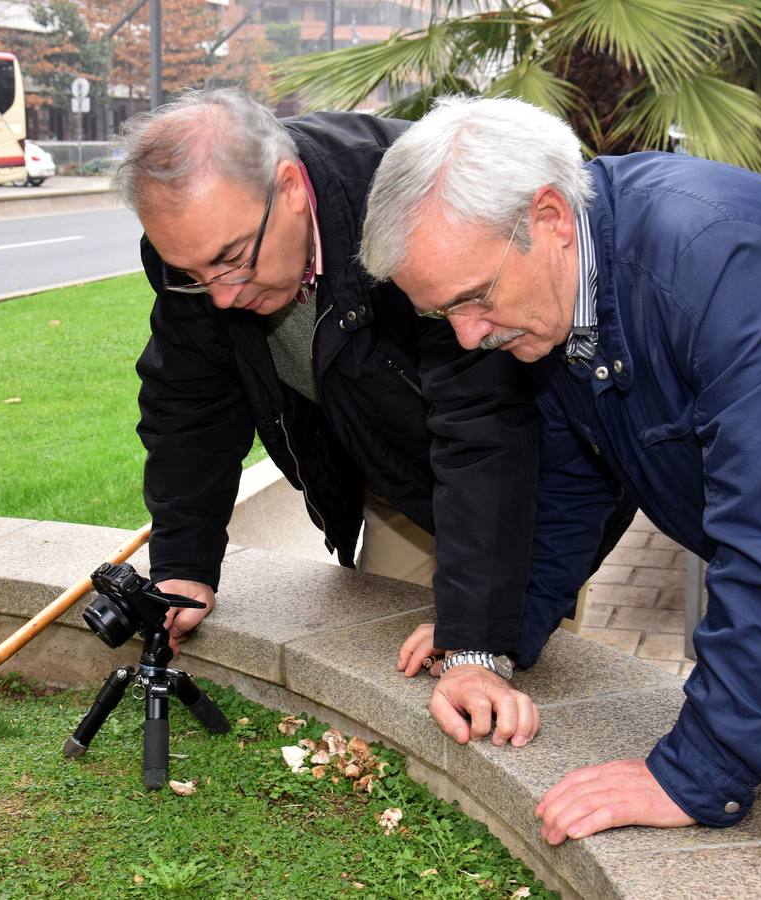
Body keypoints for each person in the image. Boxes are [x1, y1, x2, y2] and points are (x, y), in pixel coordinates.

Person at [365, 96, 761, 841]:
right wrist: (495, 635)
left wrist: (697, 771)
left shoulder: (716, 264)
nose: (467, 337)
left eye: (474, 297)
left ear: (551, 219)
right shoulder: (565, 295)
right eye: (442, 316)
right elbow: (572, 483)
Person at [115, 89, 541, 745]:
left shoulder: (417, 207)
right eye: (193, 274)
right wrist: (183, 566)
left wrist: (480, 642)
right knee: (396, 671)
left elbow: (486, 430)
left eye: (232, 260)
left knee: (508, 662)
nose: (221, 296)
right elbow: (189, 403)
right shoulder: (198, 254)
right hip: (392, 473)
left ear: (288, 187)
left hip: (525, 477)